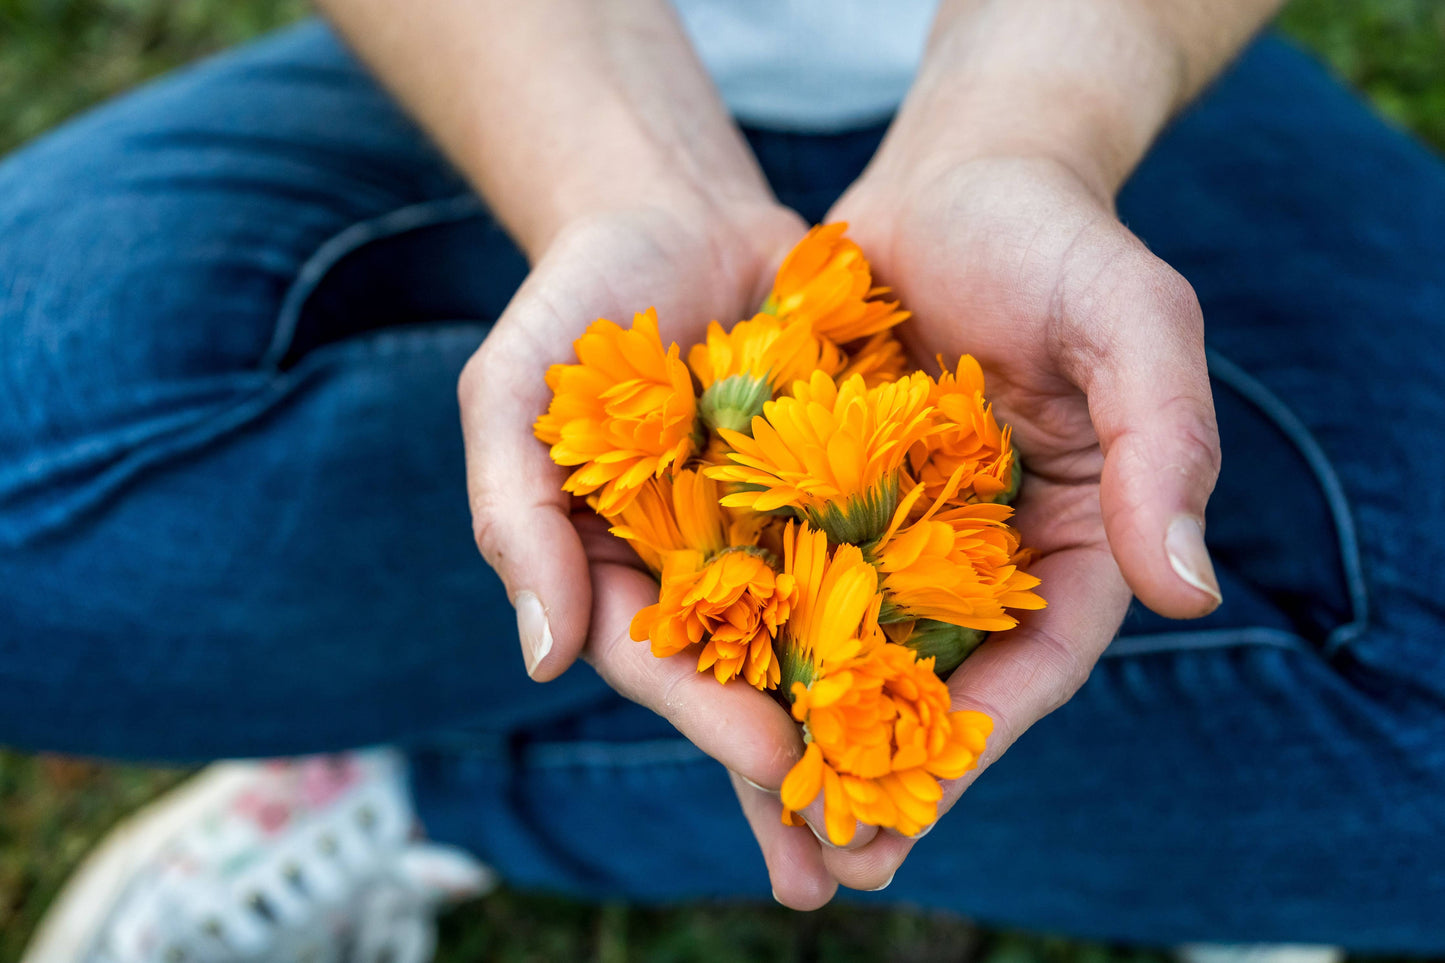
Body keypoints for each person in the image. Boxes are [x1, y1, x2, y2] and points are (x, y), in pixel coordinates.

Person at [3, 0, 1444, 959]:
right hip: (532, 60)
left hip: (1100, 66)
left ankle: (415, 770)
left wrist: (1024, 135)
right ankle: (1244, 772)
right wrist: (625, 190)